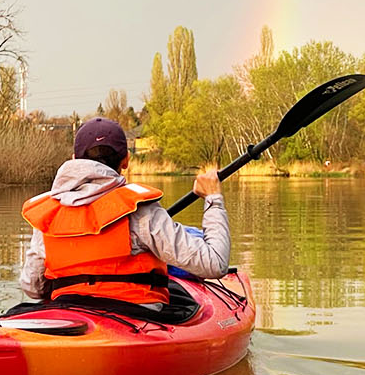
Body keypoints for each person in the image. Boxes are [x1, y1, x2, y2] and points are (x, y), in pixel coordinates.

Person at [18, 117, 229, 311]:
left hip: (70, 312)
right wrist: (213, 199)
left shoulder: (49, 214)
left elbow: (33, 287)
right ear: (126, 161)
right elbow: (214, 264)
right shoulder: (141, 210)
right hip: (136, 315)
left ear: (74, 159)